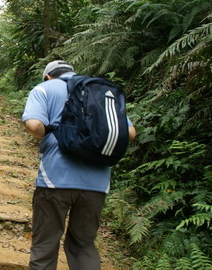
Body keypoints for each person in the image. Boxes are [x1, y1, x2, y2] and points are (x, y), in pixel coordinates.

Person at [22, 60, 136, 270]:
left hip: (55, 179)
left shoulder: (44, 88)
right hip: (97, 183)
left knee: (45, 244)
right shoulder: (97, 91)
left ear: (48, 76)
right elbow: (130, 132)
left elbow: (34, 124)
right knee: (83, 246)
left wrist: (49, 134)